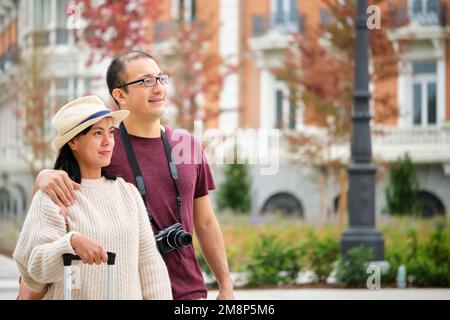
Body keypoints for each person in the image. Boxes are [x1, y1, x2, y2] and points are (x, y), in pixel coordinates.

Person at [25, 51, 234, 300]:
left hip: (190, 293)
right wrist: (42, 180)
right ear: (120, 95)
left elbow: (206, 222)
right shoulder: (103, 149)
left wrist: (225, 285)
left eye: (160, 79)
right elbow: (47, 220)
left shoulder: (187, 145)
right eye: (146, 81)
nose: (158, 88)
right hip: (125, 288)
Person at [14, 96, 172, 300]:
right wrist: (71, 243)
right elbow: (35, 269)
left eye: (111, 132)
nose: (108, 141)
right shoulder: (55, 194)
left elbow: (150, 265)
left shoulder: (128, 193)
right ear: (73, 141)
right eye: (98, 133)